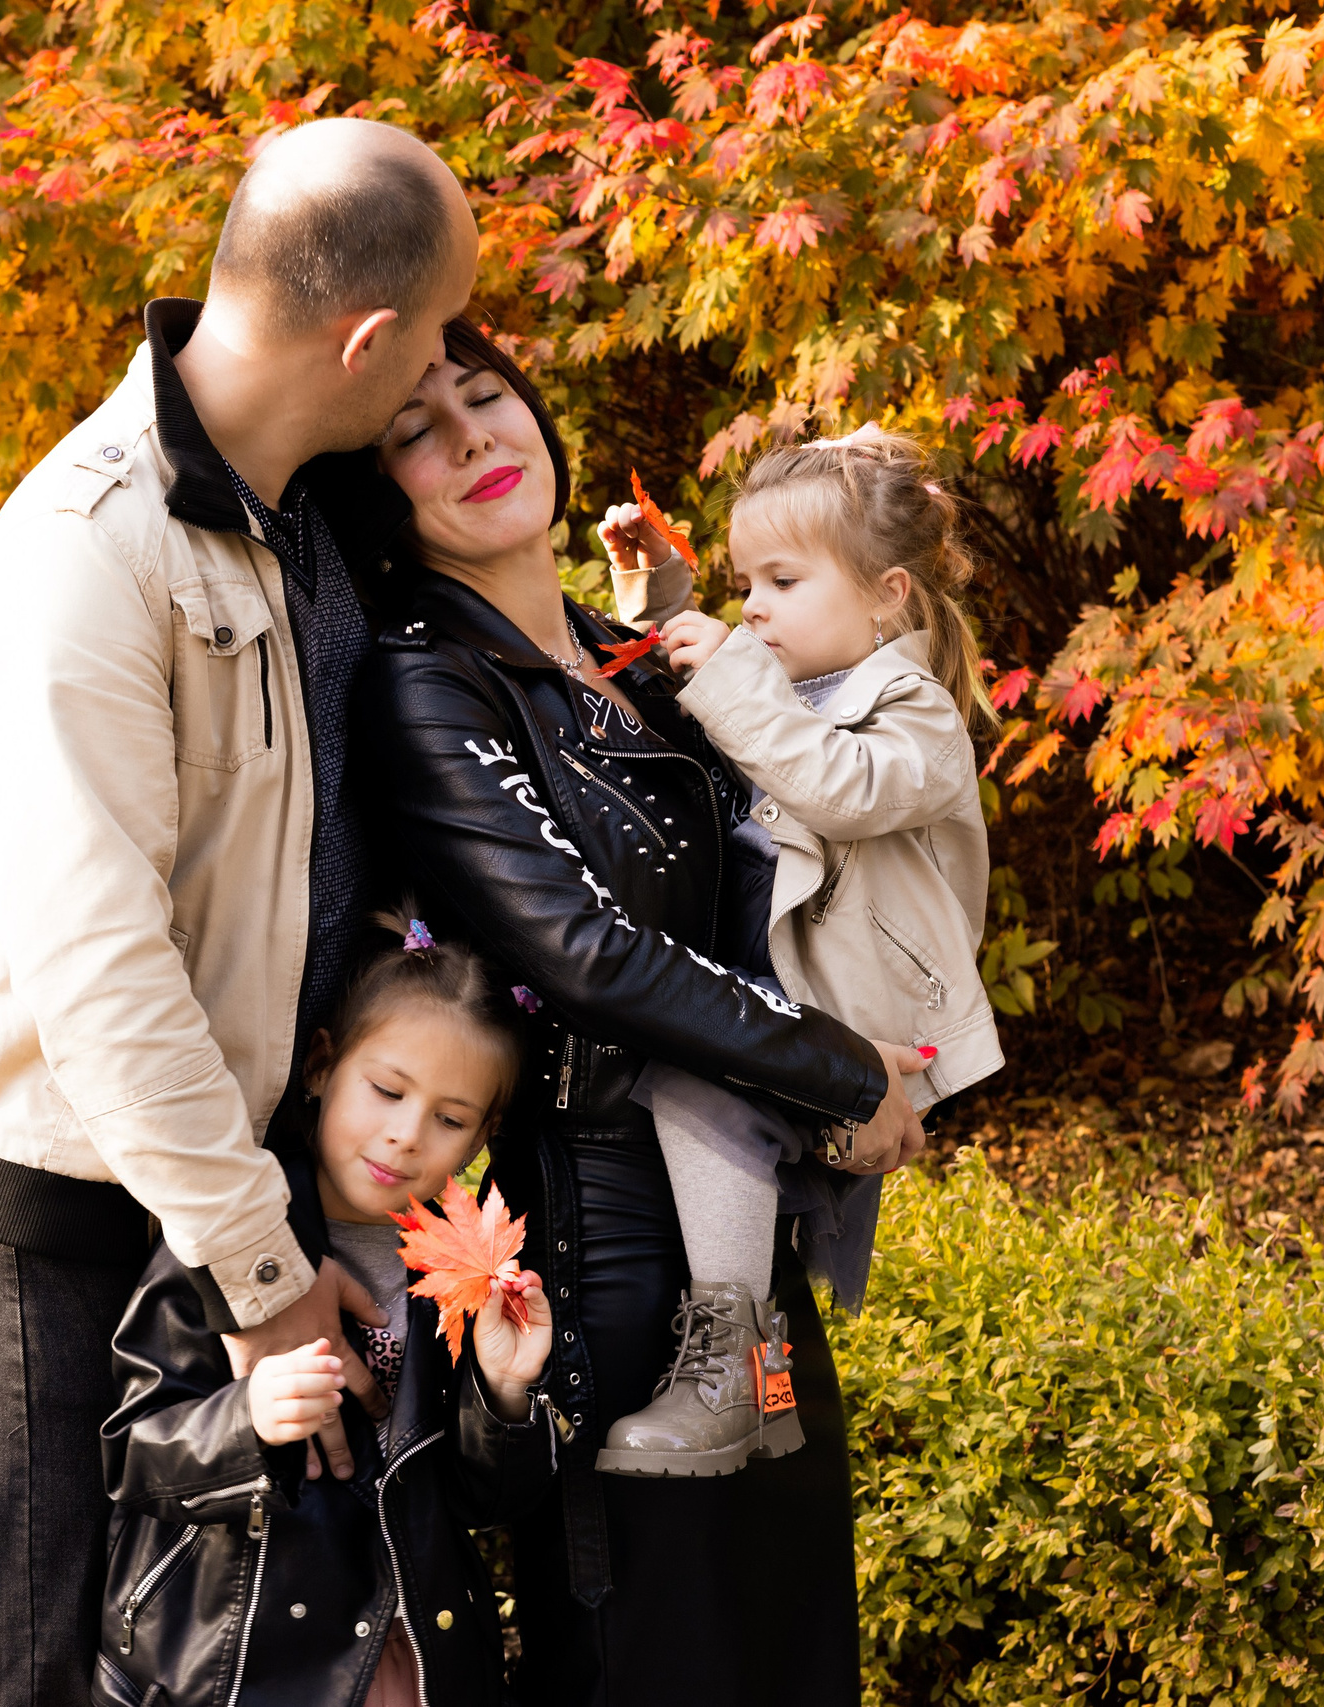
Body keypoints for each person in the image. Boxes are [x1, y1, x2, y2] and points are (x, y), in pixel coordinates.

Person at [0, 119, 479, 1707]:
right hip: (40, 1182)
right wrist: (264, 1287)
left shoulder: (309, 507)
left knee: (187, 1647)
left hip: (216, 1165)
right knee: (29, 1655)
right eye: (431, 338)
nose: (437, 375)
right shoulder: (90, 547)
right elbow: (100, 962)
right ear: (361, 337)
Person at [353, 317, 931, 1707]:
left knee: (788, 1644)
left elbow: (813, 809)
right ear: (381, 489)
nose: (472, 434)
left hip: (753, 1245)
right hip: (613, 1255)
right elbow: (585, 948)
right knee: (655, 1653)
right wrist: (843, 1078)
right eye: (416, 428)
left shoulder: (631, 653)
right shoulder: (429, 680)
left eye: (488, 396)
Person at [587, 426, 1004, 1476]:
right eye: (743, 581)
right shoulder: (793, 683)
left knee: (694, 1084)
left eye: (780, 579)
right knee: (697, 1081)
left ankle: (730, 1368)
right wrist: (660, 600)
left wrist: (728, 667)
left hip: (864, 1029)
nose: (754, 606)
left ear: (885, 596)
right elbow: (716, 705)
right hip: (776, 991)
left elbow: (831, 785)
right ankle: (761, 1387)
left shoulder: (912, 715)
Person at [93, 911, 559, 1707]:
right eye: (385, 1090)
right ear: (320, 1064)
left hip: (401, 1645)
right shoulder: (232, 1234)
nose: (405, 1135)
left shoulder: (466, 1265)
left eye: (450, 1119)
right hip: (244, 1651)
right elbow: (133, 1454)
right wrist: (248, 1419)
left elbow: (485, 1501)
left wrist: (504, 1394)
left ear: (485, 1132)